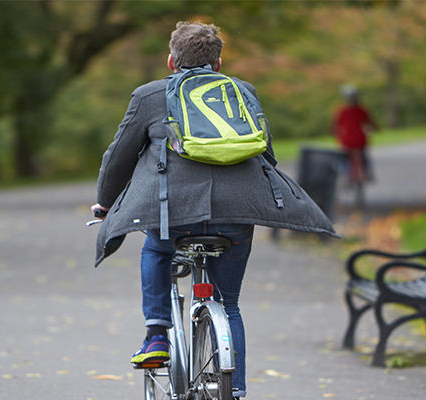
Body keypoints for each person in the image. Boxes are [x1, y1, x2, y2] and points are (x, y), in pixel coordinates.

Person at [91, 21, 336, 399]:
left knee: (156, 247)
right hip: (236, 215)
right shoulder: (243, 91)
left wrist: (106, 203)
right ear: (218, 63)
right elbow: (264, 152)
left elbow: (119, 157)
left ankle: (156, 336)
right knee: (229, 304)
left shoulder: (149, 95)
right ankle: (233, 390)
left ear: (171, 61)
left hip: (175, 215)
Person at [330, 85, 378, 182]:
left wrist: (334, 133)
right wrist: (374, 128)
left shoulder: (340, 111)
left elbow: (334, 126)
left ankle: (345, 177)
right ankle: (367, 173)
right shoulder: (362, 110)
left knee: (344, 158)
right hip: (360, 139)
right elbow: (371, 123)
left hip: (346, 140)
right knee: (364, 156)